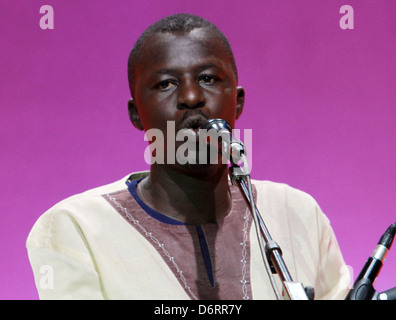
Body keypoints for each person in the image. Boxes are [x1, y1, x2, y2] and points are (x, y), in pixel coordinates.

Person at [26, 13, 350, 300]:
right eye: (166, 84)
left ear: (237, 102)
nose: (191, 97)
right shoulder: (76, 227)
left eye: (208, 79)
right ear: (136, 114)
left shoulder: (298, 215)